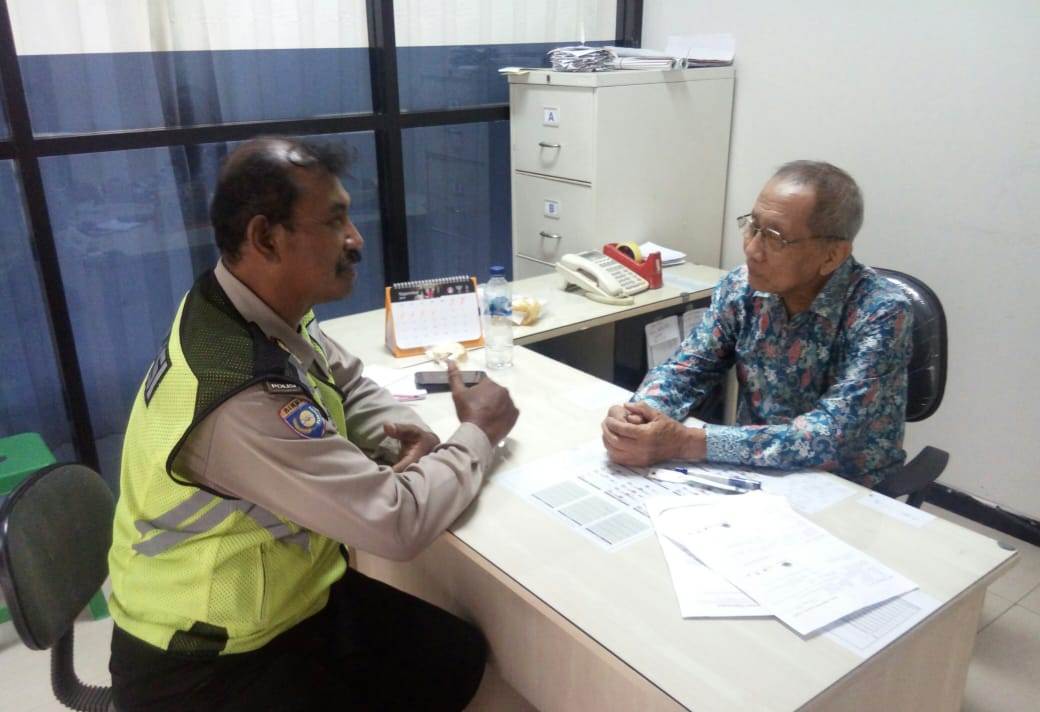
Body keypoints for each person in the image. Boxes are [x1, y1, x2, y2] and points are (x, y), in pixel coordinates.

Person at [107, 136, 519, 711]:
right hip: (207, 666)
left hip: (290, 602)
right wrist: (478, 433)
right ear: (265, 238)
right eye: (334, 221)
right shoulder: (242, 395)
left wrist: (404, 429)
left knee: (458, 654)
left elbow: (343, 380)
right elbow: (395, 522)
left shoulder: (245, 305)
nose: (356, 239)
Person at [602, 161, 912, 488]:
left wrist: (687, 442)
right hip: (753, 471)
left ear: (832, 256)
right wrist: (640, 415)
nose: (751, 249)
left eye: (774, 238)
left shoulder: (881, 312)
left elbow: (830, 435)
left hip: (846, 487)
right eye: (753, 226)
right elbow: (688, 367)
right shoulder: (742, 288)